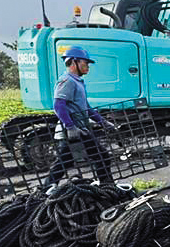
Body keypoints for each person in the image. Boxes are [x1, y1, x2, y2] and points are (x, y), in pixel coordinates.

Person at [46, 46, 118, 187]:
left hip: (80, 130)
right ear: (73, 62)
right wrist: (70, 126)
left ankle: (107, 187)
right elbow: (58, 105)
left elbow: (86, 107)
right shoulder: (67, 81)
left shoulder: (77, 81)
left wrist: (102, 122)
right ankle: (107, 186)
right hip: (72, 132)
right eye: (85, 64)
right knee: (97, 157)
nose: (88, 67)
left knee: (96, 157)